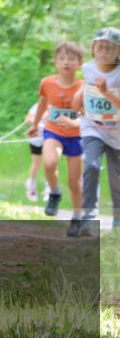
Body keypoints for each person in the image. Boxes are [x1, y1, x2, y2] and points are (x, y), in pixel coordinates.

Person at [27, 41, 84, 234]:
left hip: (76, 137)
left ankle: (77, 217)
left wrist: (74, 123)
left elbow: (88, 116)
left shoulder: (84, 86)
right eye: (62, 58)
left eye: (71, 59)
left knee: (74, 182)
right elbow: (42, 103)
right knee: (50, 163)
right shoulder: (47, 83)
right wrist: (35, 125)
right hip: (53, 131)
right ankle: (54, 193)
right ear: (56, 62)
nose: (66, 62)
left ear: (80, 63)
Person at [74, 27, 120, 235]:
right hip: (93, 127)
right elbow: (86, 87)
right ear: (93, 49)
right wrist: (77, 99)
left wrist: (106, 93)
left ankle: (118, 221)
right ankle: (89, 217)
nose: (104, 52)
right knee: (91, 165)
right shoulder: (88, 68)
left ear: (118, 52)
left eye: (110, 48)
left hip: (117, 133)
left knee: (117, 180)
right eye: (100, 47)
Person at [24, 102, 50, 202]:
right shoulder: (37, 106)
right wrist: (38, 121)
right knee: (36, 164)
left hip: (50, 138)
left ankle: (49, 187)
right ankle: (31, 184)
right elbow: (28, 119)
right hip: (36, 138)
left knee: (49, 163)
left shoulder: (57, 104)